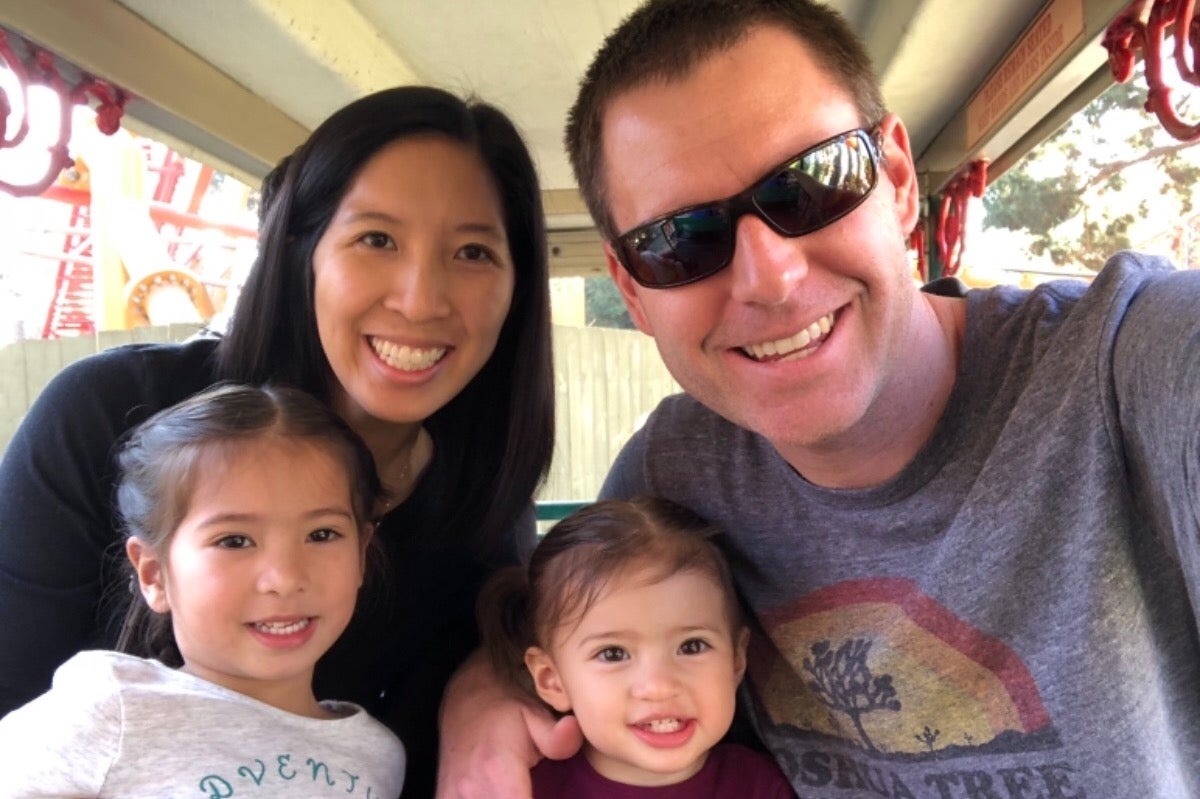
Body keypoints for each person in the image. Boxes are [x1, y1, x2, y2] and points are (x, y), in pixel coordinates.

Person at [437, 0, 1200, 797]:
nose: (771, 278)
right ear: (631, 288)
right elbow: (563, 625)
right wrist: (479, 699)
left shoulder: (1127, 370)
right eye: (680, 239)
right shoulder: (679, 468)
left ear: (898, 180)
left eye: (808, 185)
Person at [0, 85, 554, 798]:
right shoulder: (104, 416)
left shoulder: (482, 519)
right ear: (303, 252)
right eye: (376, 239)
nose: (421, 298)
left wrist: (491, 678)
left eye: (474, 251)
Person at [0, 383, 406, 797]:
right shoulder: (112, 713)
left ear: (361, 554)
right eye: (234, 541)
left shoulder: (378, 756)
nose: (284, 577)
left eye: (322, 534)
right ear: (155, 574)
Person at [478, 497, 795, 797]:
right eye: (613, 653)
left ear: (736, 661)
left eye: (692, 646)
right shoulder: (520, 788)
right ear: (552, 679)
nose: (659, 687)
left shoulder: (762, 787)